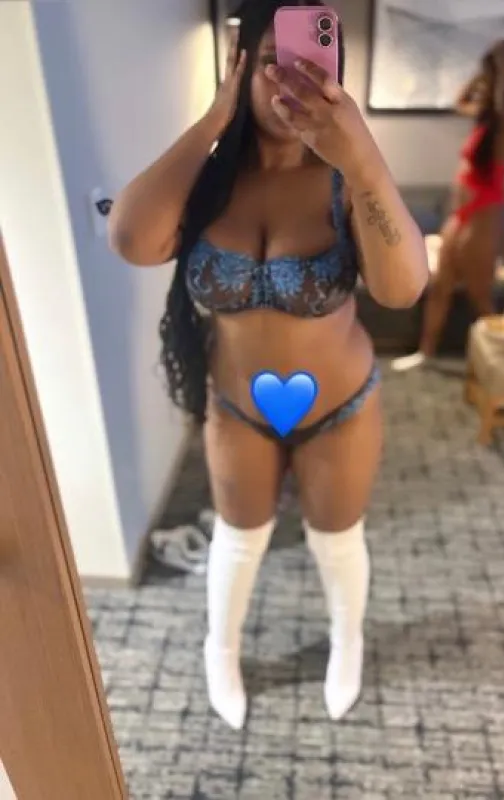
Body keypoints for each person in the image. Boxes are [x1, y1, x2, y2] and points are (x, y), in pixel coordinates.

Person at [108, 0, 428, 729]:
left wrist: (362, 157)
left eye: (315, 70)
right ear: (242, 66)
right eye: (276, 67)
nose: (294, 88)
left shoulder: (346, 182)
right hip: (238, 407)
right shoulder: (209, 183)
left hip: (339, 410)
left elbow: (403, 288)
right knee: (239, 538)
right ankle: (220, 650)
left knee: (336, 541)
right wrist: (214, 119)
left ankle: (347, 643)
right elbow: (130, 238)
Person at [392, 40, 504, 372]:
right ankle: (426, 353)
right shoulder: (486, 119)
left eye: (494, 78)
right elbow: (460, 102)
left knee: (479, 296)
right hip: (460, 216)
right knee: (441, 287)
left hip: (485, 218)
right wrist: (483, 74)